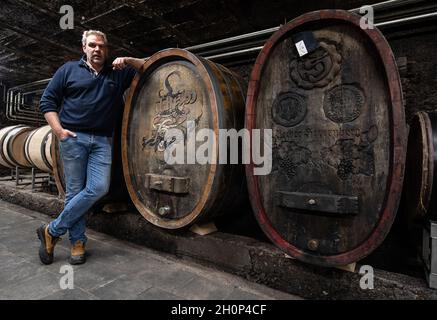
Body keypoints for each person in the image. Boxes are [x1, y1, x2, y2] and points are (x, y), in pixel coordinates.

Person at [37, 30, 145, 265]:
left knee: (98, 187)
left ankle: (52, 230)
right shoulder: (68, 70)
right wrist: (59, 131)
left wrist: (127, 59)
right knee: (74, 192)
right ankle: (77, 242)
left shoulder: (117, 73)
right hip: (73, 138)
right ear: (84, 48)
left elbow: (147, 65)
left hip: (102, 141)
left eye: (102, 46)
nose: (97, 49)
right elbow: (47, 101)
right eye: (92, 45)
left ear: (107, 50)